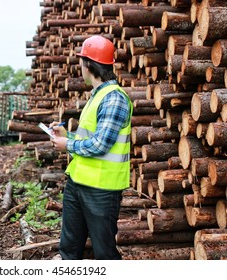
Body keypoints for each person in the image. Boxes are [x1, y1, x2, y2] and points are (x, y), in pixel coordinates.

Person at [49, 35, 133, 260]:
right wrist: (68, 135)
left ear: (88, 64)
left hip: (101, 190)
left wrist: (68, 144)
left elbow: (100, 145)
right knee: (69, 250)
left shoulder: (114, 98)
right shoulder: (98, 96)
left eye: (81, 61)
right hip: (78, 183)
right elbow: (92, 137)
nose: (80, 66)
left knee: (104, 254)